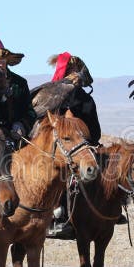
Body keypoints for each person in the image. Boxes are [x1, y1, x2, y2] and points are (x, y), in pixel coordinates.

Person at [44, 52, 103, 239]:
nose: (73, 73)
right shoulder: (50, 96)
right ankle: (51, 216)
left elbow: (95, 132)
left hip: (82, 145)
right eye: (69, 70)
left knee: (107, 167)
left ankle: (110, 210)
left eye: (75, 70)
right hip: (55, 145)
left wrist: (80, 132)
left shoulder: (85, 100)